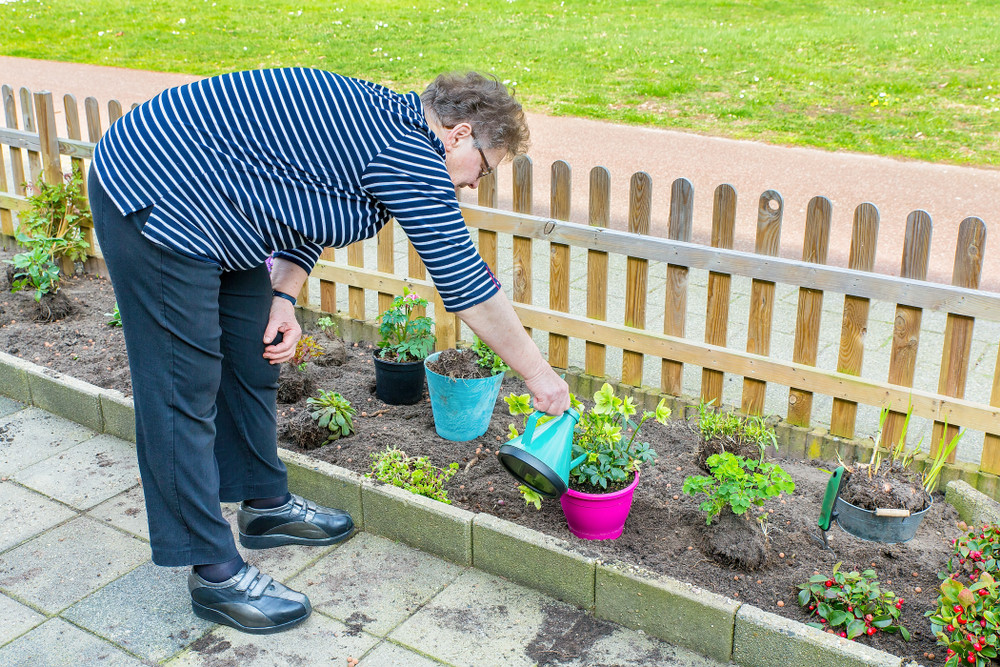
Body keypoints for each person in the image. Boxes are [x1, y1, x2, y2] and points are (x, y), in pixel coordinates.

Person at [88, 68, 570, 634]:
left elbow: (299, 193)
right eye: (482, 170)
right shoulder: (410, 152)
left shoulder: (387, 128)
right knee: (181, 389)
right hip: (156, 190)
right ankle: (213, 571)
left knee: (252, 356)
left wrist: (283, 294)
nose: (471, 185)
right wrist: (540, 377)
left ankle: (264, 505)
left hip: (222, 202)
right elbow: (465, 283)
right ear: (460, 133)